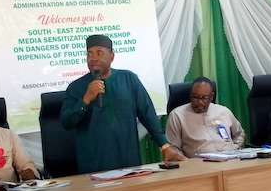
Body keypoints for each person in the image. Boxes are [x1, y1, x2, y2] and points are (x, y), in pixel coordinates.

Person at [60, 34, 186, 174]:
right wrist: (86, 99)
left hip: (128, 158)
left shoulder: (128, 79)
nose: (93, 58)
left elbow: (147, 113)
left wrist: (164, 145)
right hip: (94, 164)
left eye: (99, 53)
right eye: (89, 54)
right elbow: (66, 121)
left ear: (111, 57)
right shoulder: (76, 87)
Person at [165, 77, 245, 158]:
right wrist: (187, 164)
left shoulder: (224, 111)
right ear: (190, 95)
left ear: (211, 97)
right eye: (196, 97)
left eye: (205, 98)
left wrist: (234, 149)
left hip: (231, 161)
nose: (200, 102)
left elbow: (240, 134)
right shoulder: (177, 115)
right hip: (200, 166)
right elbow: (173, 148)